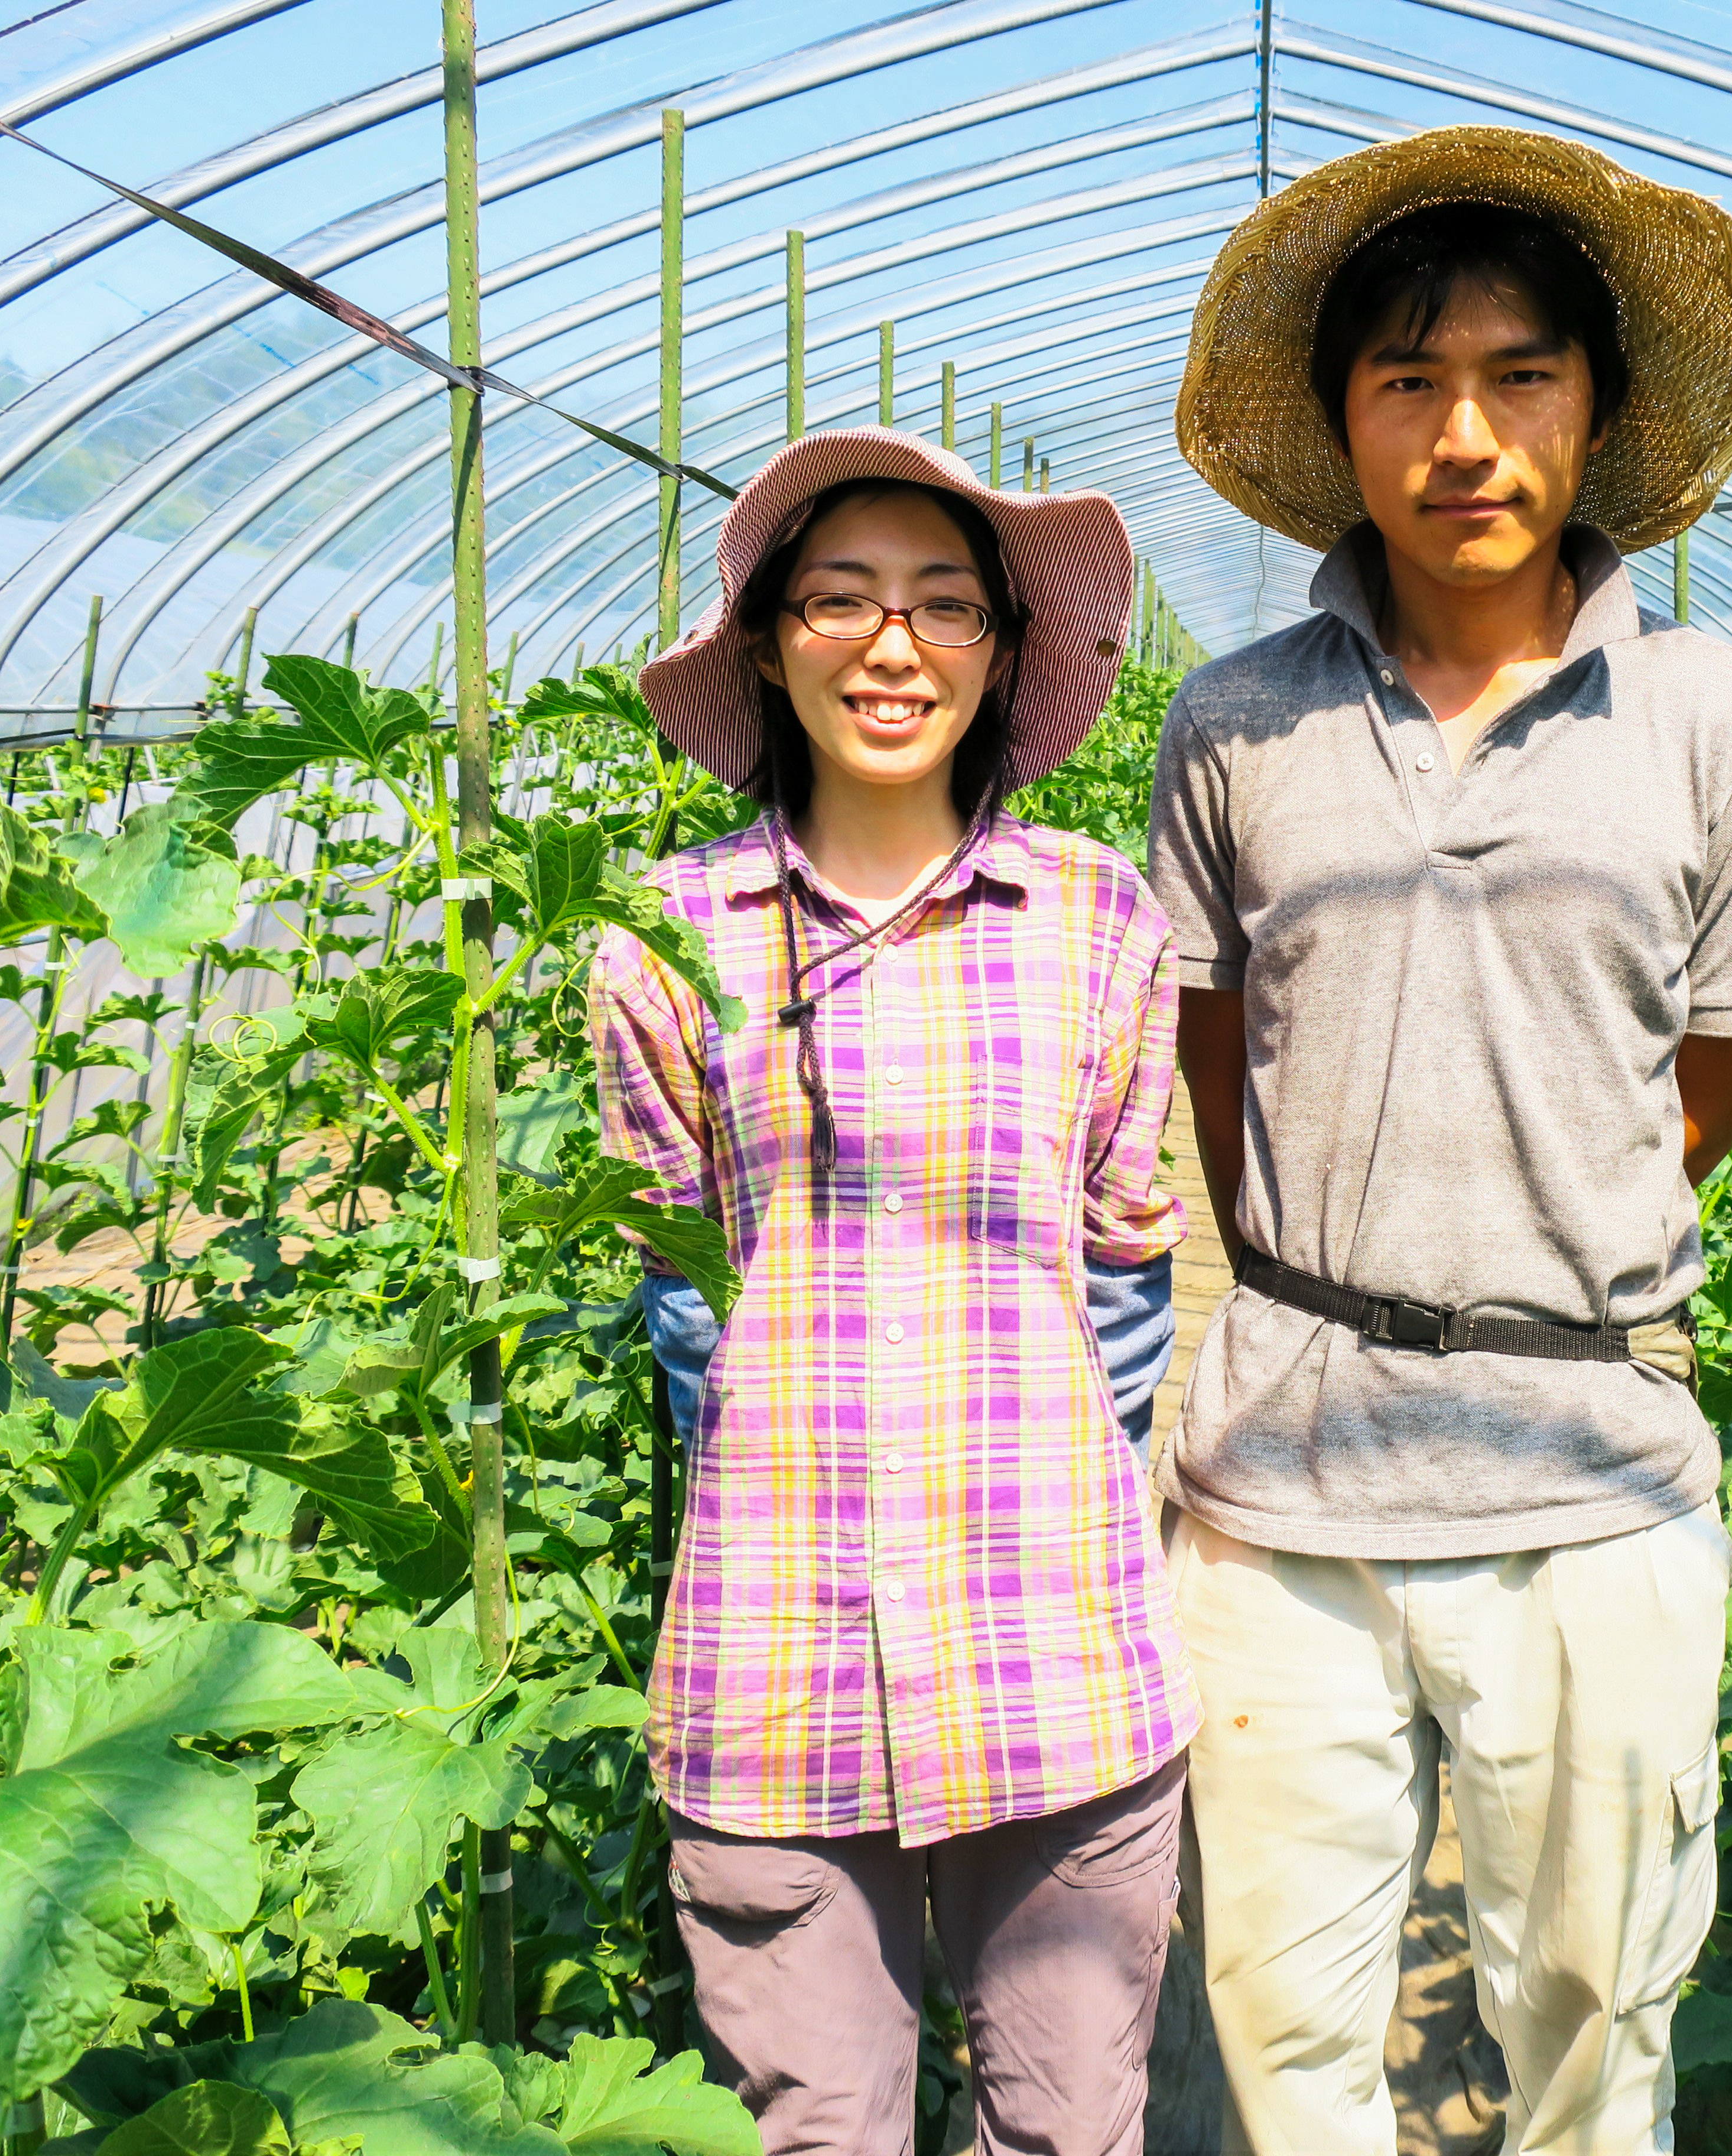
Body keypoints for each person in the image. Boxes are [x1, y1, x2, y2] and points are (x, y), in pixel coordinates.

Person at [1151, 128, 1732, 2149]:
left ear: (1594, 414)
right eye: (1407, 383)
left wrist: (1533, 1249)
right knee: (1278, 2037)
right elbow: (1216, 1061)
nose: (1465, 434)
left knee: (1597, 2033)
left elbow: (1711, 1074)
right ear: (1342, 428)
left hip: (1591, 1481)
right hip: (1281, 1485)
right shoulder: (1231, 723)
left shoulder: (1716, 718)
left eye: (1521, 376)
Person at [589, 427, 1191, 2155]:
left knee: (1068, 2126)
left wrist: (1054, 1484)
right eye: (839, 600)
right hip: (775, 1654)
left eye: (944, 606)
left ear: (1000, 653)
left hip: (1056, 1650)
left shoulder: (1096, 916)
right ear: (770, 641)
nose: (892, 645)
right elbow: (689, 1302)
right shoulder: (664, 938)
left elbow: (1125, 1270)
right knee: (814, 2130)